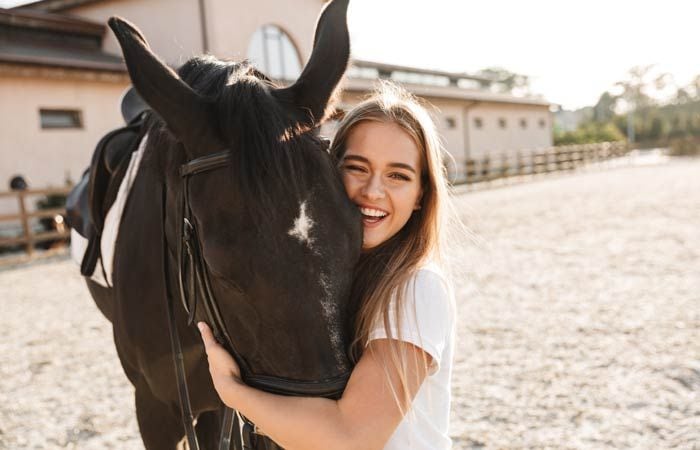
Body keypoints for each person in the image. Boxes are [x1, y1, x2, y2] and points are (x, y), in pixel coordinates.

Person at [199, 82, 456, 450]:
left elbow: (350, 438)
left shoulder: (415, 288)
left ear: (421, 196)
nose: (373, 191)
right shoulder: (327, 280)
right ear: (329, 174)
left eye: (398, 175)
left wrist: (231, 391)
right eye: (356, 167)